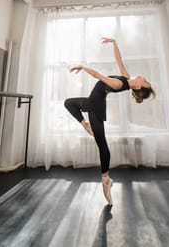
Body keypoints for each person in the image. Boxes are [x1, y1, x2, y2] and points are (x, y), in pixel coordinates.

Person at [64, 38, 155, 206]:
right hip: (93, 102)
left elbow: (98, 75)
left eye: (145, 81)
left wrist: (83, 67)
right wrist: (114, 43)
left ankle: (105, 179)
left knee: (102, 145)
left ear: (138, 87)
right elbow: (119, 60)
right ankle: (85, 124)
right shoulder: (126, 78)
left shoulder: (119, 82)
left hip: (94, 107)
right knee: (68, 103)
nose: (144, 77)